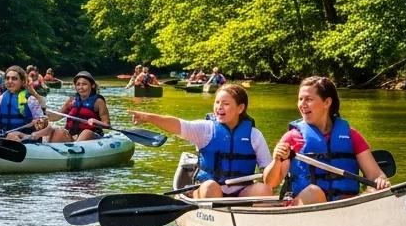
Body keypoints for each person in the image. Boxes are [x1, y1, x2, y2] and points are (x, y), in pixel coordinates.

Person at [261, 76, 390, 205]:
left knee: (376, 191)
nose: (302, 104)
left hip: (345, 206)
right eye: (300, 99)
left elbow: (376, 175)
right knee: (314, 192)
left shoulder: (351, 136)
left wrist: (381, 181)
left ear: (327, 102)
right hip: (305, 205)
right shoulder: (292, 138)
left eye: (309, 99)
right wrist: (277, 160)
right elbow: (270, 183)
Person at [132, 84, 273, 198]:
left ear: (240, 108)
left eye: (225, 103)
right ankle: (195, 196)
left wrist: (280, 164)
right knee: (211, 187)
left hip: (242, 192)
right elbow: (177, 125)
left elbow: (267, 169)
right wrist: (148, 117)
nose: (219, 107)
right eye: (217, 102)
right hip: (209, 190)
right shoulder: (206, 129)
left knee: (264, 189)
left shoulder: (254, 135)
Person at [45, 71, 110, 142]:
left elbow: (106, 124)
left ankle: (77, 149)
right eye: (78, 84)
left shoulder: (98, 101)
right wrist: (44, 115)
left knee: (86, 133)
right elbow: (57, 116)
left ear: (92, 85)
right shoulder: (71, 100)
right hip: (72, 135)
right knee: (58, 131)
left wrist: (96, 121)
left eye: (84, 84)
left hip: (91, 135)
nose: (80, 87)